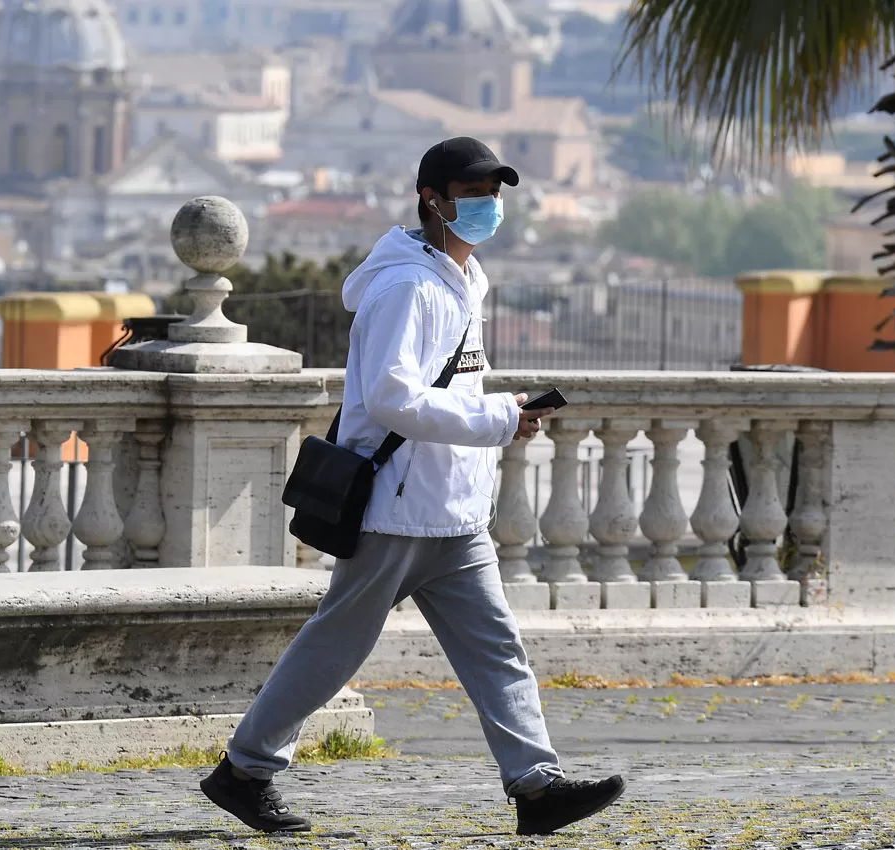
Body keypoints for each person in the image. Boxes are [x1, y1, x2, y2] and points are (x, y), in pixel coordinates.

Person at [200, 137, 625, 836]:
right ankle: (244, 770)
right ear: (431, 198)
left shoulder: (464, 277)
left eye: (495, 192)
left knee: (497, 650)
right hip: (395, 510)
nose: (487, 205)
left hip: (453, 512)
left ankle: (535, 785)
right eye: (472, 192)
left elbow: (447, 386)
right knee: (334, 647)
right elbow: (394, 399)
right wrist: (495, 418)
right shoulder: (404, 286)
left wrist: (505, 414)